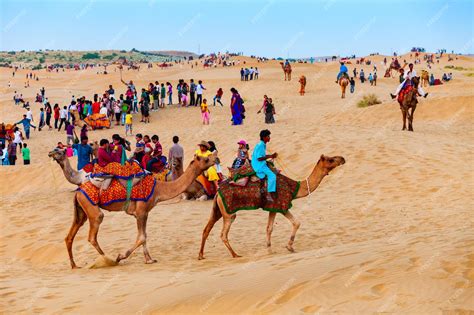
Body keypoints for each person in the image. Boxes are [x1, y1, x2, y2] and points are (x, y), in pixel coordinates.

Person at [251, 129, 278, 202]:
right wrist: (270, 156)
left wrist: (271, 156)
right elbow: (259, 158)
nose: (269, 137)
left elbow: (261, 156)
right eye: (268, 136)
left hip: (258, 163)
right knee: (273, 176)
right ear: (264, 137)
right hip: (259, 165)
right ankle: (269, 194)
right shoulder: (261, 145)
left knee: (274, 169)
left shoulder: (262, 144)